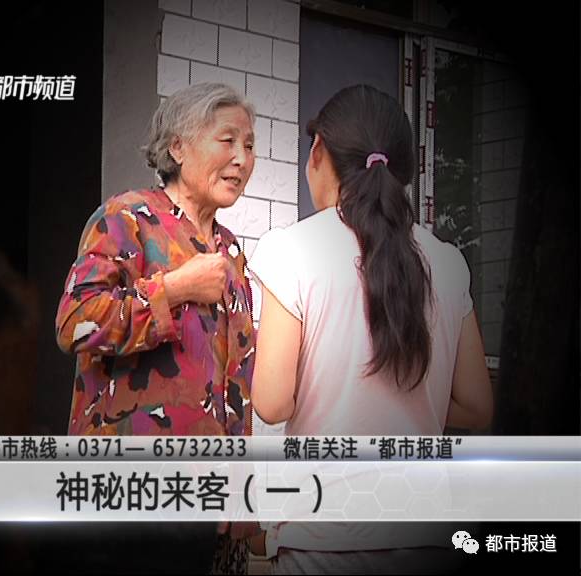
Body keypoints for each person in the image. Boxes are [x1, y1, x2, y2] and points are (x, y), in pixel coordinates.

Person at [246, 85, 493, 573]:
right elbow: (478, 406)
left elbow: (272, 403)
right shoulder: (447, 262)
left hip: (323, 541)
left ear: (318, 151)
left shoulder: (292, 249)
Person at [55, 82, 258, 574]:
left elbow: (237, 381)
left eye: (250, 145)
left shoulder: (231, 250)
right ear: (178, 148)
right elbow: (74, 322)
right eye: (227, 140)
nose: (242, 158)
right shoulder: (126, 217)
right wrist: (173, 288)